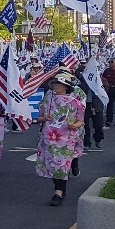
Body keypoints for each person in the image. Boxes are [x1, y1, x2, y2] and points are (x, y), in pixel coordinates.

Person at [36, 70, 85, 206]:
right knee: (53, 166)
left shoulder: (75, 103)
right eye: (55, 83)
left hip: (66, 139)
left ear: (65, 87)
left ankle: (59, 192)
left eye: (59, 83)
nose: (56, 85)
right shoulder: (47, 100)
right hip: (49, 137)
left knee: (62, 165)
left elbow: (80, 121)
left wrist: (74, 125)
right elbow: (38, 117)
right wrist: (44, 118)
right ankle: (60, 190)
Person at [75, 64, 105, 151]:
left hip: (97, 105)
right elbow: (77, 73)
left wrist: (98, 85)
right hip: (86, 105)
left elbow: (105, 89)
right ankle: (87, 143)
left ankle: (98, 139)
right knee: (85, 124)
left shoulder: (101, 80)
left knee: (98, 125)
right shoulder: (84, 79)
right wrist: (82, 67)